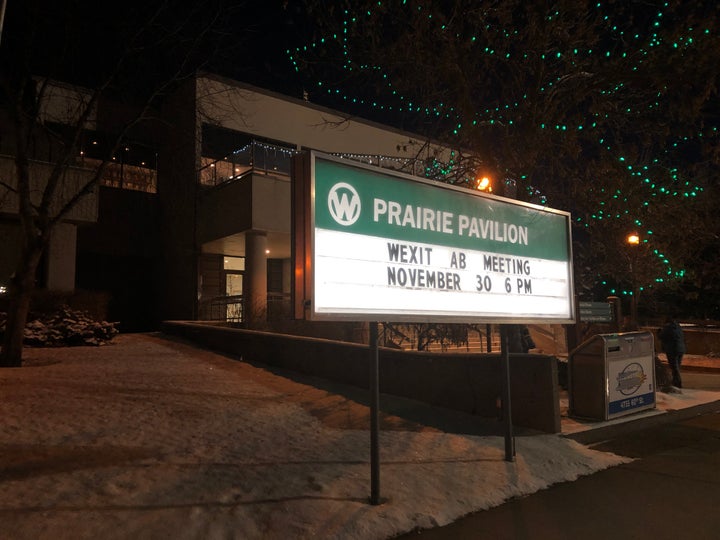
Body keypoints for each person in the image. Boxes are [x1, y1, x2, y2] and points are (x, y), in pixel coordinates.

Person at [659, 315, 686, 388]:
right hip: (681, 349)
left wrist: (659, 331)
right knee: (677, 366)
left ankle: (678, 383)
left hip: (672, 350)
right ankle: (675, 381)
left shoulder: (667, 328)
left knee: (674, 367)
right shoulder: (678, 326)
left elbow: (661, 336)